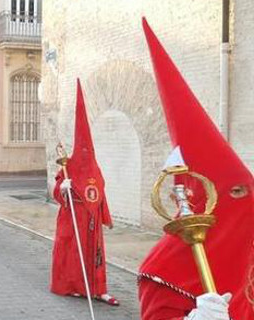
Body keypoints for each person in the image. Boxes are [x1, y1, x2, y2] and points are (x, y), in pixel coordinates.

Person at [138, 19, 254, 320]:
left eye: (247, 189)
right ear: (203, 203)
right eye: (236, 192)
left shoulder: (246, 249)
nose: (247, 201)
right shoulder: (162, 269)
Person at [51, 80, 118, 306]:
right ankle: (75, 287)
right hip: (73, 219)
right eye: (83, 149)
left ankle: (99, 289)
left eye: (90, 149)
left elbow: (101, 193)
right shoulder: (67, 167)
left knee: (96, 256)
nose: (87, 153)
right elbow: (58, 194)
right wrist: (63, 188)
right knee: (73, 255)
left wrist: (106, 218)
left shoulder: (95, 168)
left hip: (92, 221)